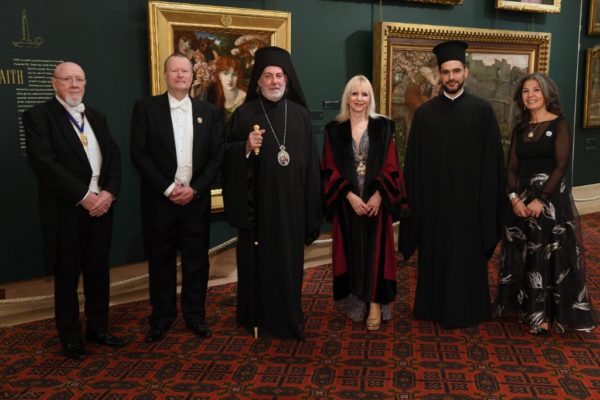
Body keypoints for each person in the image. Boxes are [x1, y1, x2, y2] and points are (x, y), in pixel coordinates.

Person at [399, 40, 506, 328]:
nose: (451, 77)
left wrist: (487, 206)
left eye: (456, 71)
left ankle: (471, 308)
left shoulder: (482, 111)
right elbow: (414, 166)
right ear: (439, 74)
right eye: (446, 72)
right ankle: (432, 308)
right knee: (435, 257)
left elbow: (493, 165)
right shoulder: (425, 114)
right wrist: (415, 206)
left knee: (467, 259)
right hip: (435, 206)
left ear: (466, 72)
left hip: (470, 206)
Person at [23, 61, 124, 359]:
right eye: (67, 79)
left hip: (102, 207)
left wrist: (108, 193)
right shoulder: (38, 116)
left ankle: (98, 329)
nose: (74, 84)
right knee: (67, 277)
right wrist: (83, 197)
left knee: (98, 272)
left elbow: (114, 157)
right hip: (66, 209)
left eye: (79, 79)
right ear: (54, 83)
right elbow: (45, 164)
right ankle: (70, 338)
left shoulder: (97, 116)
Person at [222, 46, 322, 340]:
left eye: (279, 75)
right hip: (260, 211)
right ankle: (257, 317)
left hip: (292, 210)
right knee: (259, 266)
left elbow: (311, 167)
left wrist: (311, 211)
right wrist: (245, 147)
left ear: (287, 79)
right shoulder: (244, 115)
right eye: (268, 76)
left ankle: (289, 315)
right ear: (259, 80)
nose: (274, 81)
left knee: (290, 267)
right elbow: (224, 157)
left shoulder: (300, 116)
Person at [131, 53, 224, 343]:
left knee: (197, 262)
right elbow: (139, 154)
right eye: (175, 70)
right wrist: (169, 188)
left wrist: (195, 189)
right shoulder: (146, 108)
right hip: (160, 201)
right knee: (161, 261)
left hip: (195, 201)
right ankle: (161, 317)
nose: (180, 75)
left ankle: (195, 316)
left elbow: (216, 157)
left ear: (193, 76)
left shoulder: (210, 112)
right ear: (165, 75)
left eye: (185, 71)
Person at [495, 72, 596, 334]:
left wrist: (540, 200)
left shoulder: (559, 123)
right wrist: (514, 198)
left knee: (549, 257)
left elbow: (561, 166)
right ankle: (526, 308)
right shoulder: (520, 127)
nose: (530, 95)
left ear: (547, 94)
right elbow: (511, 167)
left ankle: (547, 315)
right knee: (524, 254)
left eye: (536, 90)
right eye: (525, 91)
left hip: (549, 203)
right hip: (521, 202)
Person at [321, 75, 406, 330]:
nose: (359, 99)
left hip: (376, 201)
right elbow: (329, 168)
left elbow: (392, 166)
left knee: (377, 254)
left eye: (364, 94)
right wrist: (349, 195)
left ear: (371, 98)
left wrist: (379, 195)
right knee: (351, 251)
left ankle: (376, 304)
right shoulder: (334, 130)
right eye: (355, 93)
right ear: (347, 97)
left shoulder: (384, 127)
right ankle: (357, 300)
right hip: (348, 202)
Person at [214, 56, 247, 123]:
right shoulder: (220, 99)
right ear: (219, 75)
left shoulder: (245, 101)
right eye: (226, 73)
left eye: (234, 74)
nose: (230, 79)